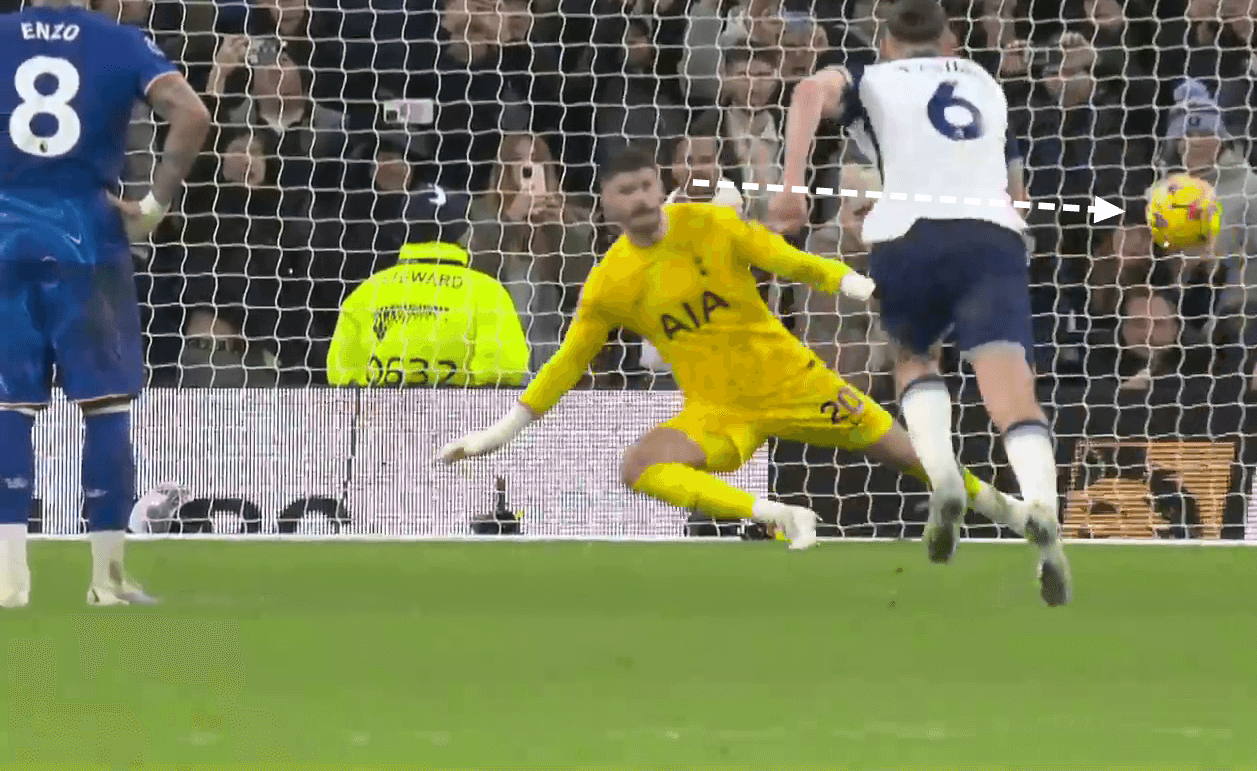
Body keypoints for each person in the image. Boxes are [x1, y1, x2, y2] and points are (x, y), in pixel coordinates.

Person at [433, 149, 1028, 550]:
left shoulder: (712, 227)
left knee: (914, 458)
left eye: (645, 186)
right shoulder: (611, 283)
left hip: (796, 383)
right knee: (638, 467)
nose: (639, 199)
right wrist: (501, 431)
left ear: (660, 185)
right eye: (624, 192)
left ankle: (1019, 515)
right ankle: (778, 516)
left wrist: (863, 286)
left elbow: (788, 261)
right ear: (607, 205)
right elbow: (568, 362)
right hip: (719, 412)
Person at [771, 0, 1072, 606]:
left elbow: (807, 93)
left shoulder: (870, 76)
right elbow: (1013, 188)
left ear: (886, 43)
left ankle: (943, 479)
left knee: (915, 357)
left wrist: (792, 189)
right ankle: (1043, 513)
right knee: (1010, 385)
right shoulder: (987, 84)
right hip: (991, 235)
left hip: (907, 232)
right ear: (951, 43)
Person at [0, 0, 212, 608]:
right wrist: (152, 203)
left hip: (4, 243)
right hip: (91, 241)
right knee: (106, 406)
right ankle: (107, 579)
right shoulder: (121, 43)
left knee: (8, 406)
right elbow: (192, 112)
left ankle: (9, 580)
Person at [326, 187, 531, 388]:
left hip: (384, 417)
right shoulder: (487, 292)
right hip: (461, 417)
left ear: (403, 231)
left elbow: (341, 374)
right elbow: (504, 368)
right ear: (466, 235)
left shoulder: (369, 291)